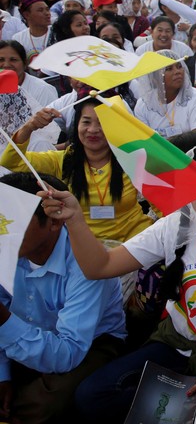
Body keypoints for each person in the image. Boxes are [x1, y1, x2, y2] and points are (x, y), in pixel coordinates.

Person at [46, 144, 196, 422]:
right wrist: (74, 219)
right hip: (175, 344)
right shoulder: (173, 226)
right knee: (92, 395)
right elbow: (101, 266)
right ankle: (179, 409)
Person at [0, 172, 127, 424]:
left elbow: (67, 352)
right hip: (27, 331)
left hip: (92, 341)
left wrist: (3, 320)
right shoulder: (7, 246)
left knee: (48, 404)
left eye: (15, 220)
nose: (4, 229)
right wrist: (2, 375)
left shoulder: (87, 264)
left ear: (55, 222)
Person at [1, 98, 152, 243]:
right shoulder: (63, 161)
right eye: (86, 122)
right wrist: (30, 127)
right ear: (76, 125)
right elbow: (11, 162)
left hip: (135, 244)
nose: (93, 130)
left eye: (102, 123)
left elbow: (162, 203)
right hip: (86, 250)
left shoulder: (132, 158)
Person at [133, 50, 196, 138]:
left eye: (179, 66)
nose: (177, 71)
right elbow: (144, 141)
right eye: (169, 69)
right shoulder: (144, 104)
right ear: (154, 78)